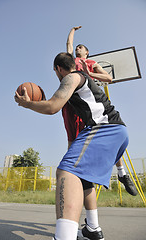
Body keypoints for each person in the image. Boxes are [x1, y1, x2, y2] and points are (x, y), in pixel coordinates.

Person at [15, 52, 130, 240]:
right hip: (115, 132)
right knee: (83, 179)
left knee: (65, 172)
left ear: (59, 69)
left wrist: (27, 104)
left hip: (105, 129)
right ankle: (93, 228)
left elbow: (53, 106)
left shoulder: (72, 77)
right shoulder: (81, 81)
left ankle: (64, 237)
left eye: (55, 72)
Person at [66, 25, 137, 197]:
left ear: (87, 52)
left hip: (89, 104)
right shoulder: (70, 62)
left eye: (80, 48)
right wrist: (73, 30)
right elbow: (68, 43)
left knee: (109, 134)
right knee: (72, 142)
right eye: (76, 47)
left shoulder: (91, 63)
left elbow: (108, 78)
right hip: (71, 103)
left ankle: (122, 173)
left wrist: (89, 73)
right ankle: (78, 177)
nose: (77, 48)